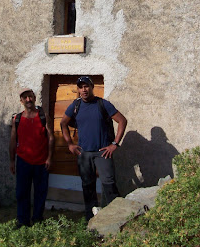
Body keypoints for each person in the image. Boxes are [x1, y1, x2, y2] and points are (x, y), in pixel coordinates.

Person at [60, 76, 127, 220]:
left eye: (86, 86)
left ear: (92, 87)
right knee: (87, 186)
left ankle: (117, 218)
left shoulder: (103, 104)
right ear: (78, 90)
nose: (84, 90)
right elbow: (63, 123)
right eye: (81, 87)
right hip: (84, 154)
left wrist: (114, 144)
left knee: (109, 184)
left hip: (103, 153)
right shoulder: (75, 105)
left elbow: (122, 120)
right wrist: (70, 144)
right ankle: (91, 219)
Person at [9, 88, 54, 227]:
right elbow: (12, 140)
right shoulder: (17, 119)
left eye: (30, 96)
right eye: (25, 98)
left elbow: (51, 137)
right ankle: (22, 221)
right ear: (21, 101)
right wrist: (12, 160)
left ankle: (37, 219)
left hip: (41, 162)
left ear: (34, 98)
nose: (28, 100)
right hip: (23, 161)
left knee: (41, 192)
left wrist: (50, 157)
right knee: (22, 193)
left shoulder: (43, 115)